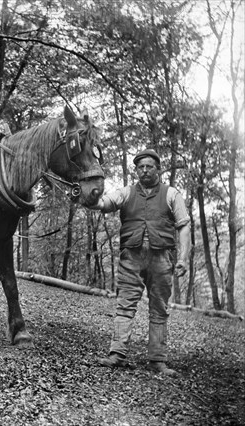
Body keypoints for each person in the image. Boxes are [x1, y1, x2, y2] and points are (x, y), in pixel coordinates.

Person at [92, 148, 190, 376]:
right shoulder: (126, 192)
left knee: (159, 309)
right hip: (131, 258)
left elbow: (184, 225)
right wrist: (90, 197)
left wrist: (183, 259)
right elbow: (104, 204)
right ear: (136, 170)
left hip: (162, 259)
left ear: (158, 169)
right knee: (125, 305)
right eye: (140, 167)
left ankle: (157, 360)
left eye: (149, 166)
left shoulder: (171, 194)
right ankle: (117, 355)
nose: (144, 170)